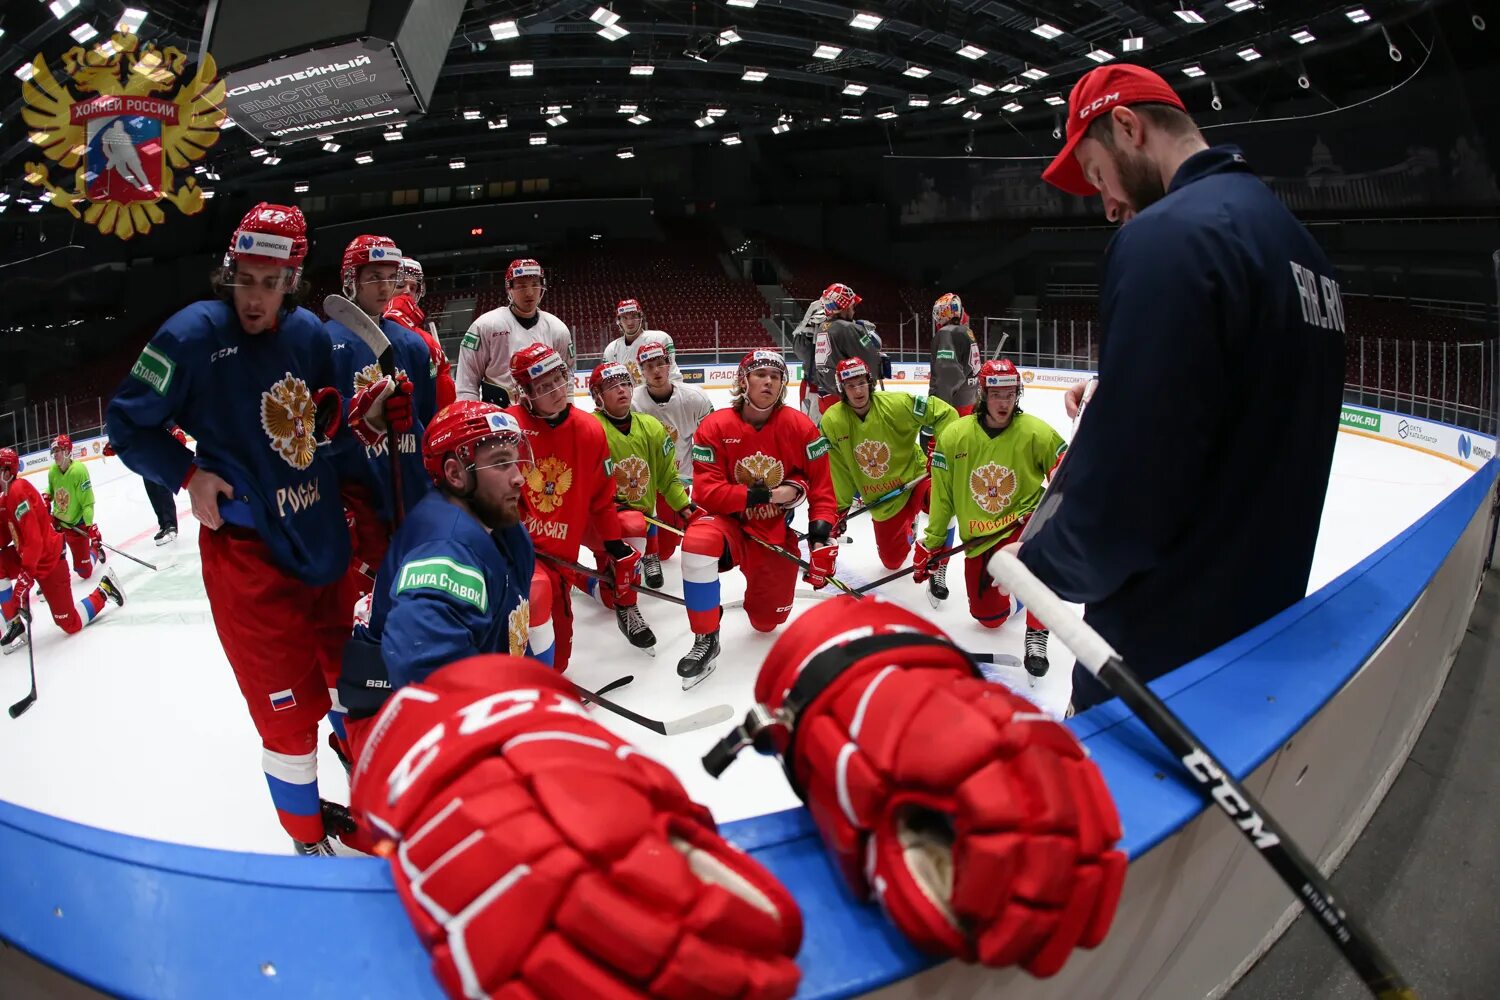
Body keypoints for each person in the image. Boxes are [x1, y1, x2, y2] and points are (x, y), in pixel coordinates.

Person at [1019, 63, 1347, 711]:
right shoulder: (1303, 248)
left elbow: (1124, 505)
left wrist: (1039, 560)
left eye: (1096, 174)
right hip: (1255, 648)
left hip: (1156, 664)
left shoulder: (1168, 238)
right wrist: (1122, 388)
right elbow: (1241, 404)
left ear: (1127, 126)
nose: (1106, 202)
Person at [106, 203, 397, 856]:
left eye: (272, 281)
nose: (256, 296)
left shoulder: (312, 339)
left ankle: (378, 797)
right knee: (288, 717)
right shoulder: (190, 335)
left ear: (294, 279)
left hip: (324, 546)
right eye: (246, 277)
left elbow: (333, 436)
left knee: (358, 687)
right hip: (250, 563)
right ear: (229, 269)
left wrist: (376, 529)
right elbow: (127, 422)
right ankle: (305, 840)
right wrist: (187, 474)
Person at [336, 402, 548, 762]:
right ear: (455, 473)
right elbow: (424, 667)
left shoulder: (498, 523)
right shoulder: (447, 550)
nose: (518, 477)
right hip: (409, 735)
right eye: (500, 463)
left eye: (515, 461)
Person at [678, 350, 838, 688]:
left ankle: (759, 596)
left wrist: (822, 535)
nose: (768, 381)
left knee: (767, 623)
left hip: (773, 532)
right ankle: (706, 635)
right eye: (761, 374)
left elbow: (823, 489)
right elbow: (706, 492)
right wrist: (766, 494)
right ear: (743, 380)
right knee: (696, 543)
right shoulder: (715, 425)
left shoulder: (800, 426)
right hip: (729, 525)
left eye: (776, 377)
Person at [916, 359, 1064, 683]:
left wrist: (1064, 470)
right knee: (989, 618)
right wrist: (933, 544)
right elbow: (943, 498)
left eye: (1010, 394)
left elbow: (1064, 472)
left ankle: (1037, 632)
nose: (1004, 402)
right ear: (983, 394)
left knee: (1040, 556)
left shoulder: (1036, 432)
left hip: (1023, 524)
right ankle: (1023, 595)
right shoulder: (954, 435)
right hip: (980, 537)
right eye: (996, 394)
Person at [505, 343, 637, 672]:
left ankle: (585, 582)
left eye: (559, 379)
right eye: (543, 386)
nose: (556, 391)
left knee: (559, 659)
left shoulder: (590, 429)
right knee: (530, 609)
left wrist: (612, 545)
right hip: (519, 551)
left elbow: (601, 498)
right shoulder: (508, 426)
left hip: (561, 555)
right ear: (526, 392)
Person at [326, 234, 432, 600]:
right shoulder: (323, 343)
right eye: (374, 277)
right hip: (357, 495)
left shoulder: (413, 344)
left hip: (411, 487)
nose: (385, 287)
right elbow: (315, 428)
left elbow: (427, 420)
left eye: (391, 277)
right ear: (350, 279)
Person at [589, 361, 700, 645]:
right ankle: (627, 604)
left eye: (625, 384)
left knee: (606, 595)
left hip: (637, 523)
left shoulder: (651, 427)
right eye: (612, 387)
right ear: (597, 395)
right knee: (632, 526)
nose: (622, 391)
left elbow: (667, 476)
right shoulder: (590, 429)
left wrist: (684, 508)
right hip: (602, 524)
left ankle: (594, 584)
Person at [820, 357, 960, 575]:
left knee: (945, 501)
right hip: (883, 499)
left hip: (917, 477)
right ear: (842, 389)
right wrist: (839, 509)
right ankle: (909, 528)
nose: (858, 391)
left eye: (861, 383)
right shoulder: (832, 421)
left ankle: (940, 563)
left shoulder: (898, 404)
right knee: (892, 563)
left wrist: (939, 451)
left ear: (870, 382)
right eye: (850, 385)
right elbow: (839, 469)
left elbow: (945, 413)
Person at [1, 447, 125, 653]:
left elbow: (34, 541)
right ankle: (14, 623)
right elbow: (5, 538)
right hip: (31, 559)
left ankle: (105, 589)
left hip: (49, 562)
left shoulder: (17, 491)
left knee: (69, 623)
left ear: (6, 472)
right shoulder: (5, 497)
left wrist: (25, 577)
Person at [630, 341, 713, 584]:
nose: (656, 371)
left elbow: (710, 442)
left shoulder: (694, 398)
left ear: (669, 365)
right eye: (649, 366)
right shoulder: (634, 402)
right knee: (651, 541)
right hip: (643, 482)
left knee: (667, 551)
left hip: (677, 479)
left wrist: (706, 482)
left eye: (660, 364)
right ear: (641, 371)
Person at [456, 258, 574, 406]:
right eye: (521, 286)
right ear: (509, 288)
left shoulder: (558, 329)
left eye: (535, 285)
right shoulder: (485, 326)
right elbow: (466, 384)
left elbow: (566, 375)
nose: (530, 293)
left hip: (546, 416)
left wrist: (568, 410)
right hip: (500, 416)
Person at [386, 255, 456, 412]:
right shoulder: (365, 328)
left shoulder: (426, 339)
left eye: (413, 287)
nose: (407, 292)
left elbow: (444, 394)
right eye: (400, 285)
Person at [811, 283, 882, 418]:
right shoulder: (848, 328)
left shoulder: (822, 327)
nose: (854, 310)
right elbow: (871, 361)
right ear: (844, 307)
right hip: (848, 397)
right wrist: (868, 338)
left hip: (825, 393)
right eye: (852, 306)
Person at [44, 435, 104, 579]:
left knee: (84, 572)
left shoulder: (78, 471)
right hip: (57, 522)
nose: (55, 455)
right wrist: (46, 496)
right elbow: (51, 489)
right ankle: (51, 576)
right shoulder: (53, 470)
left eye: (57, 451)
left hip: (76, 524)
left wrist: (89, 526)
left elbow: (87, 503)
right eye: (54, 451)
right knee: (48, 550)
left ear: (66, 451)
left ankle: (95, 550)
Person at [601, 298, 682, 385]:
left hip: (660, 395)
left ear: (640, 318)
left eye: (634, 316)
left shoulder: (660, 339)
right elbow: (611, 382)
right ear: (619, 321)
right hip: (631, 397)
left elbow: (671, 372)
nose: (630, 322)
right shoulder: (611, 349)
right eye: (625, 318)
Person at [929, 293, 981, 416]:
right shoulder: (967, 332)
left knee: (943, 435)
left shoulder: (947, 332)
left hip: (953, 407)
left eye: (939, 312)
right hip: (969, 400)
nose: (936, 317)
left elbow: (948, 375)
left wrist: (937, 409)